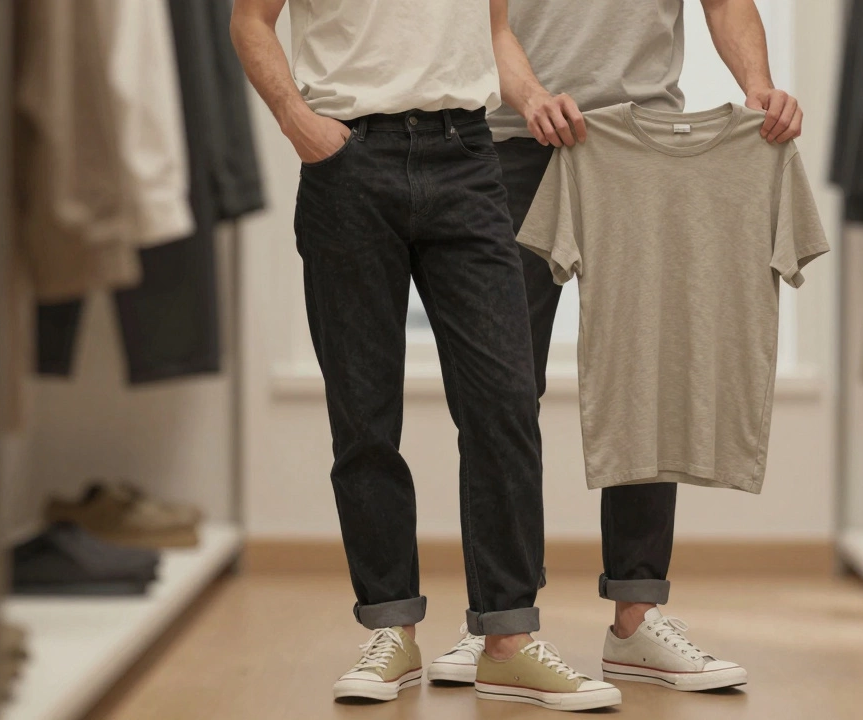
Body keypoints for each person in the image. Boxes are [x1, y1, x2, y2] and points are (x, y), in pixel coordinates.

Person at [230, 0, 622, 710]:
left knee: (504, 401)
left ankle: (508, 639)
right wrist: (298, 123)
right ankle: (391, 630)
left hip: (470, 160)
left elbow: (494, 30)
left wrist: (531, 96)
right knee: (364, 415)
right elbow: (251, 20)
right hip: (348, 161)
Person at [426, 0, 805, 693]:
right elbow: (479, 17)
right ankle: (498, 617)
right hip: (511, 145)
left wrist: (757, 84)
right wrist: (533, 96)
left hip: (642, 146)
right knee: (499, 395)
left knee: (646, 375)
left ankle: (636, 618)